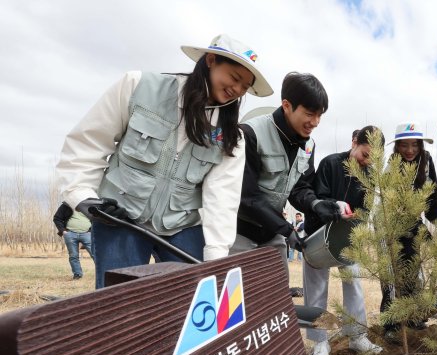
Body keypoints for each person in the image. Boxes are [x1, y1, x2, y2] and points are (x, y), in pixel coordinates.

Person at [57, 34, 268, 288]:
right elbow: (89, 142)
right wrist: (83, 196)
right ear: (211, 60)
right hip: (121, 217)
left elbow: (223, 197)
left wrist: (215, 255)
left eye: (245, 87)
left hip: (182, 226)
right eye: (234, 78)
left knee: (192, 300)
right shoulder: (138, 86)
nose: (237, 89)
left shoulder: (232, 136)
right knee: (118, 304)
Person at [303, 126, 385, 355]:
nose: (366, 161)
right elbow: (318, 197)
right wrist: (335, 206)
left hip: (348, 237)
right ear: (354, 142)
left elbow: (366, 210)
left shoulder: (369, 175)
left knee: (354, 284)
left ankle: (357, 336)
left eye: (372, 158)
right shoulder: (330, 164)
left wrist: (357, 219)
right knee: (316, 287)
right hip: (318, 234)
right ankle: (319, 341)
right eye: (364, 154)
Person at [234, 72, 330, 273]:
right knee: (235, 298)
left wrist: (316, 203)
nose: (315, 122)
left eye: (320, 115)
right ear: (287, 105)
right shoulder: (251, 133)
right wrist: (286, 229)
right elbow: (248, 196)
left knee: (276, 296)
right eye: (310, 113)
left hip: (272, 233)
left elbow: (299, 187)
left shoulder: (309, 145)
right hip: (239, 232)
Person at [380, 122, 437, 334]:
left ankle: (412, 318)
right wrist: (418, 226)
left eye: (415, 145)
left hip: (413, 224)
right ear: (397, 146)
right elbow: (392, 204)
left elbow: (431, 200)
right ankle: (391, 323)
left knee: (413, 272)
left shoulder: (426, 163)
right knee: (392, 275)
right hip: (390, 224)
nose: (410, 150)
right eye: (404, 145)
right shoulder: (391, 166)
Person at [52, 202, 94, 280]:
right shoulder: (67, 204)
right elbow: (57, 218)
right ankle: (77, 274)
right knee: (73, 256)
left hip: (87, 234)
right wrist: (63, 231)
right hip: (70, 234)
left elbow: (96, 218)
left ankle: (102, 272)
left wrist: (91, 231)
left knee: (95, 254)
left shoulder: (89, 204)